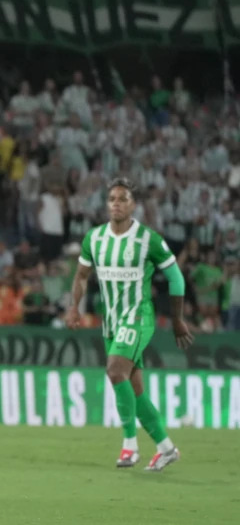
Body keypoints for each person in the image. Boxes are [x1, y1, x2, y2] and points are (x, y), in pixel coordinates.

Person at [64, 178, 192, 472]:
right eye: (112, 199)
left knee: (113, 369)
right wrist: (74, 307)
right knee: (134, 389)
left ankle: (129, 447)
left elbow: (176, 278)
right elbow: (82, 275)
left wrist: (177, 319)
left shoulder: (149, 239)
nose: (116, 204)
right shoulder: (94, 238)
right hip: (111, 322)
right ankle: (166, 448)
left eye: (123, 199)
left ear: (134, 205)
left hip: (138, 316)